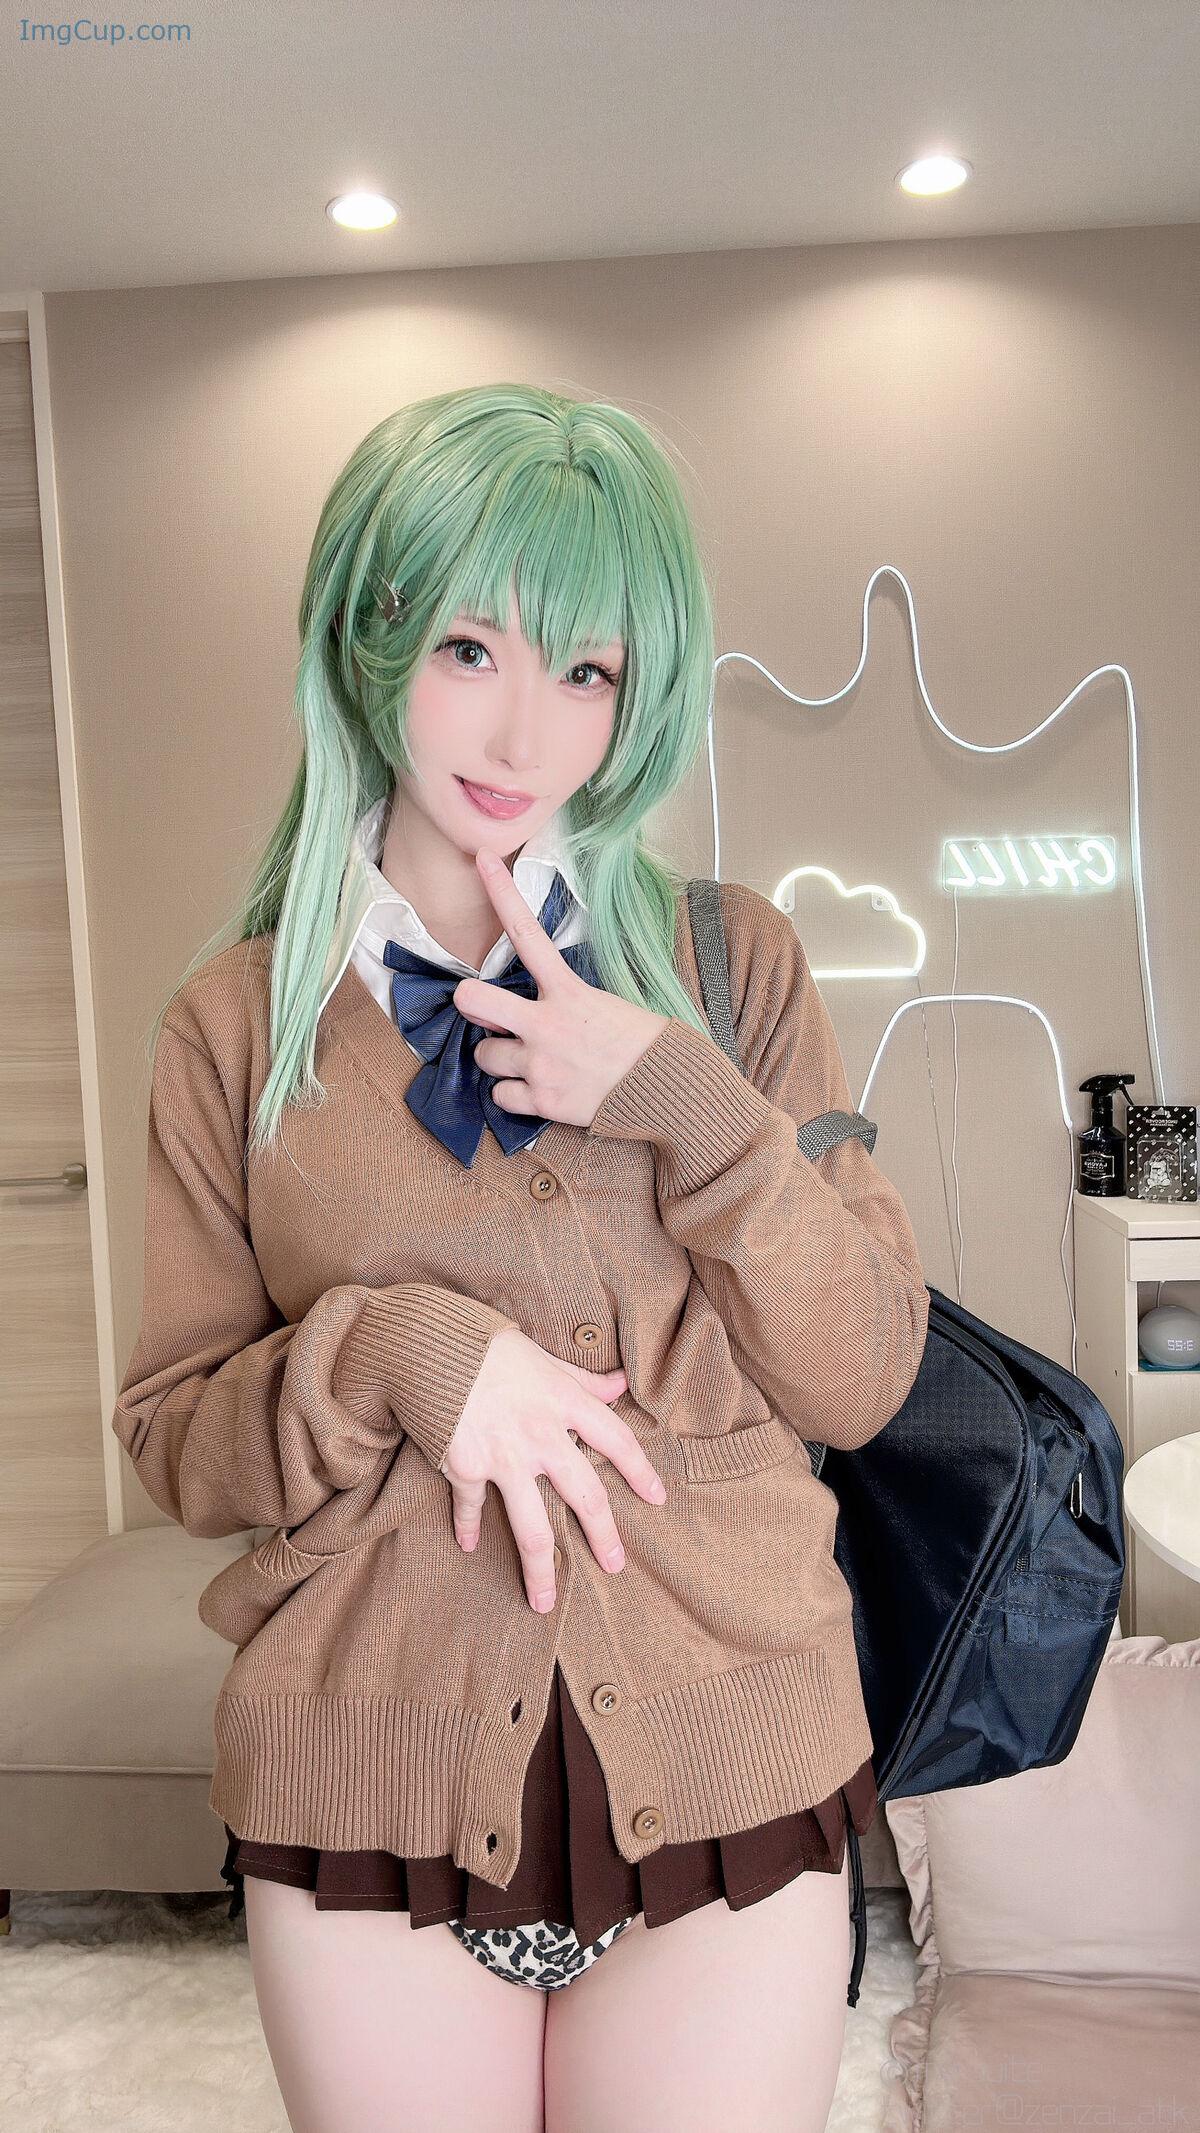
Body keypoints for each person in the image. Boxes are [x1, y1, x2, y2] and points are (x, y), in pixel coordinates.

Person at [113, 382, 929, 2132]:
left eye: (587, 670)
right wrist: (394, 1350)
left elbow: (864, 1374)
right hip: (365, 1766)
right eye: (470, 646)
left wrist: (681, 1099)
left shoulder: (732, 968)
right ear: (369, 633)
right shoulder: (233, 1024)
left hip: (732, 1736)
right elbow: (176, 1438)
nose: (523, 726)